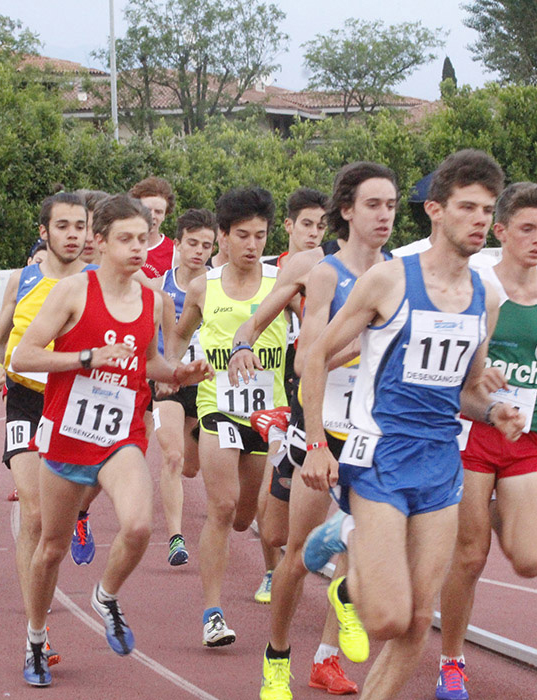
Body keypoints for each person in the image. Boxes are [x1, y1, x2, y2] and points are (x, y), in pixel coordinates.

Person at [299, 149, 525, 700]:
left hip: (440, 463)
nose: (479, 220)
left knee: (420, 619)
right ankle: (343, 532)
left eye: (487, 210)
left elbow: (467, 390)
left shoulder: (485, 297)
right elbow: (315, 357)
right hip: (381, 456)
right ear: (435, 210)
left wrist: (493, 411)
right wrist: (315, 443)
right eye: (467, 207)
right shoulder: (388, 280)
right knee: (386, 617)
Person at [9, 194, 211, 687]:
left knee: (139, 526)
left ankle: (106, 595)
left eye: (142, 238)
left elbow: (149, 363)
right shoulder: (73, 292)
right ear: (99, 242)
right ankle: (36, 639)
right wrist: (85, 359)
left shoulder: (153, 300)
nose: (137, 248)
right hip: (67, 436)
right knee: (51, 549)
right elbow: (24, 357)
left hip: (120, 435)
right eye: (125, 239)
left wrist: (179, 375)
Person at [240, 163, 397, 699]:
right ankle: (277, 657)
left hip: (370, 431)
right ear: (346, 212)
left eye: (391, 205)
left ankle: (326, 657)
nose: (384, 216)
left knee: (367, 544)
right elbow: (309, 359)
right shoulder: (325, 272)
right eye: (373, 205)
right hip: (320, 427)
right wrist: (362, 343)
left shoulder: (399, 274)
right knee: (292, 551)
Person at [435, 183, 537, 700]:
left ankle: (490, 507)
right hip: (472, 431)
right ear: (500, 231)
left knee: (530, 560)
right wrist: (478, 373)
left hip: (526, 432)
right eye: (527, 229)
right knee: (470, 556)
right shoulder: (477, 285)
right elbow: (449, 356)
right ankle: (451, 661)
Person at [170, 187, 288, 648]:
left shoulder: (282, 283)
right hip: (217, 406)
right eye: (242, 235)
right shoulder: (204, 287)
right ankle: (213, 614)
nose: (252, 245)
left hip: (268, 415)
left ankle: (260, 557)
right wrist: (171, 372)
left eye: (260, 235)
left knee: (246, 517)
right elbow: (179, 336)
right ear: (223, 235)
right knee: (221, 507)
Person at [0, 192, 92, 671]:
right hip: (27, 401)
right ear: (44, 232)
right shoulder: (23, 278)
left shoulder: (96, 282)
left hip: (74, 406)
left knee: (55, 525)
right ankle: (36, 635)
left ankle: (81, 513)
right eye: (62, 226)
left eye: (79, 226)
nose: (72, 235)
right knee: (33, 512)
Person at [254, 186, 328, 604]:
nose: (314, 233)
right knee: (271, 523)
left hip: (307, 385)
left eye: (321, 226)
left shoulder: (330, 268)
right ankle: (271, 570)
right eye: (307, 225)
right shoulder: (274, 271)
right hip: (273, 378)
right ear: (289, 226)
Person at [149, 208, 217, 566]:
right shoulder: (159, 286)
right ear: (177, 243)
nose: (198, 251)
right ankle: (176, 538)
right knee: (173, 457)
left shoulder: (218, 286)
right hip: (168, 382)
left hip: (205, 383)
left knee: (191, 467)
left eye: (206, 245)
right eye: (192, 243)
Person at [130, 176, 177, 278]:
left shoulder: (174, 253)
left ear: (164, 216)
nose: (152, 216)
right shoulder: (120, 244)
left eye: (158, 212)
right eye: (147, 210)